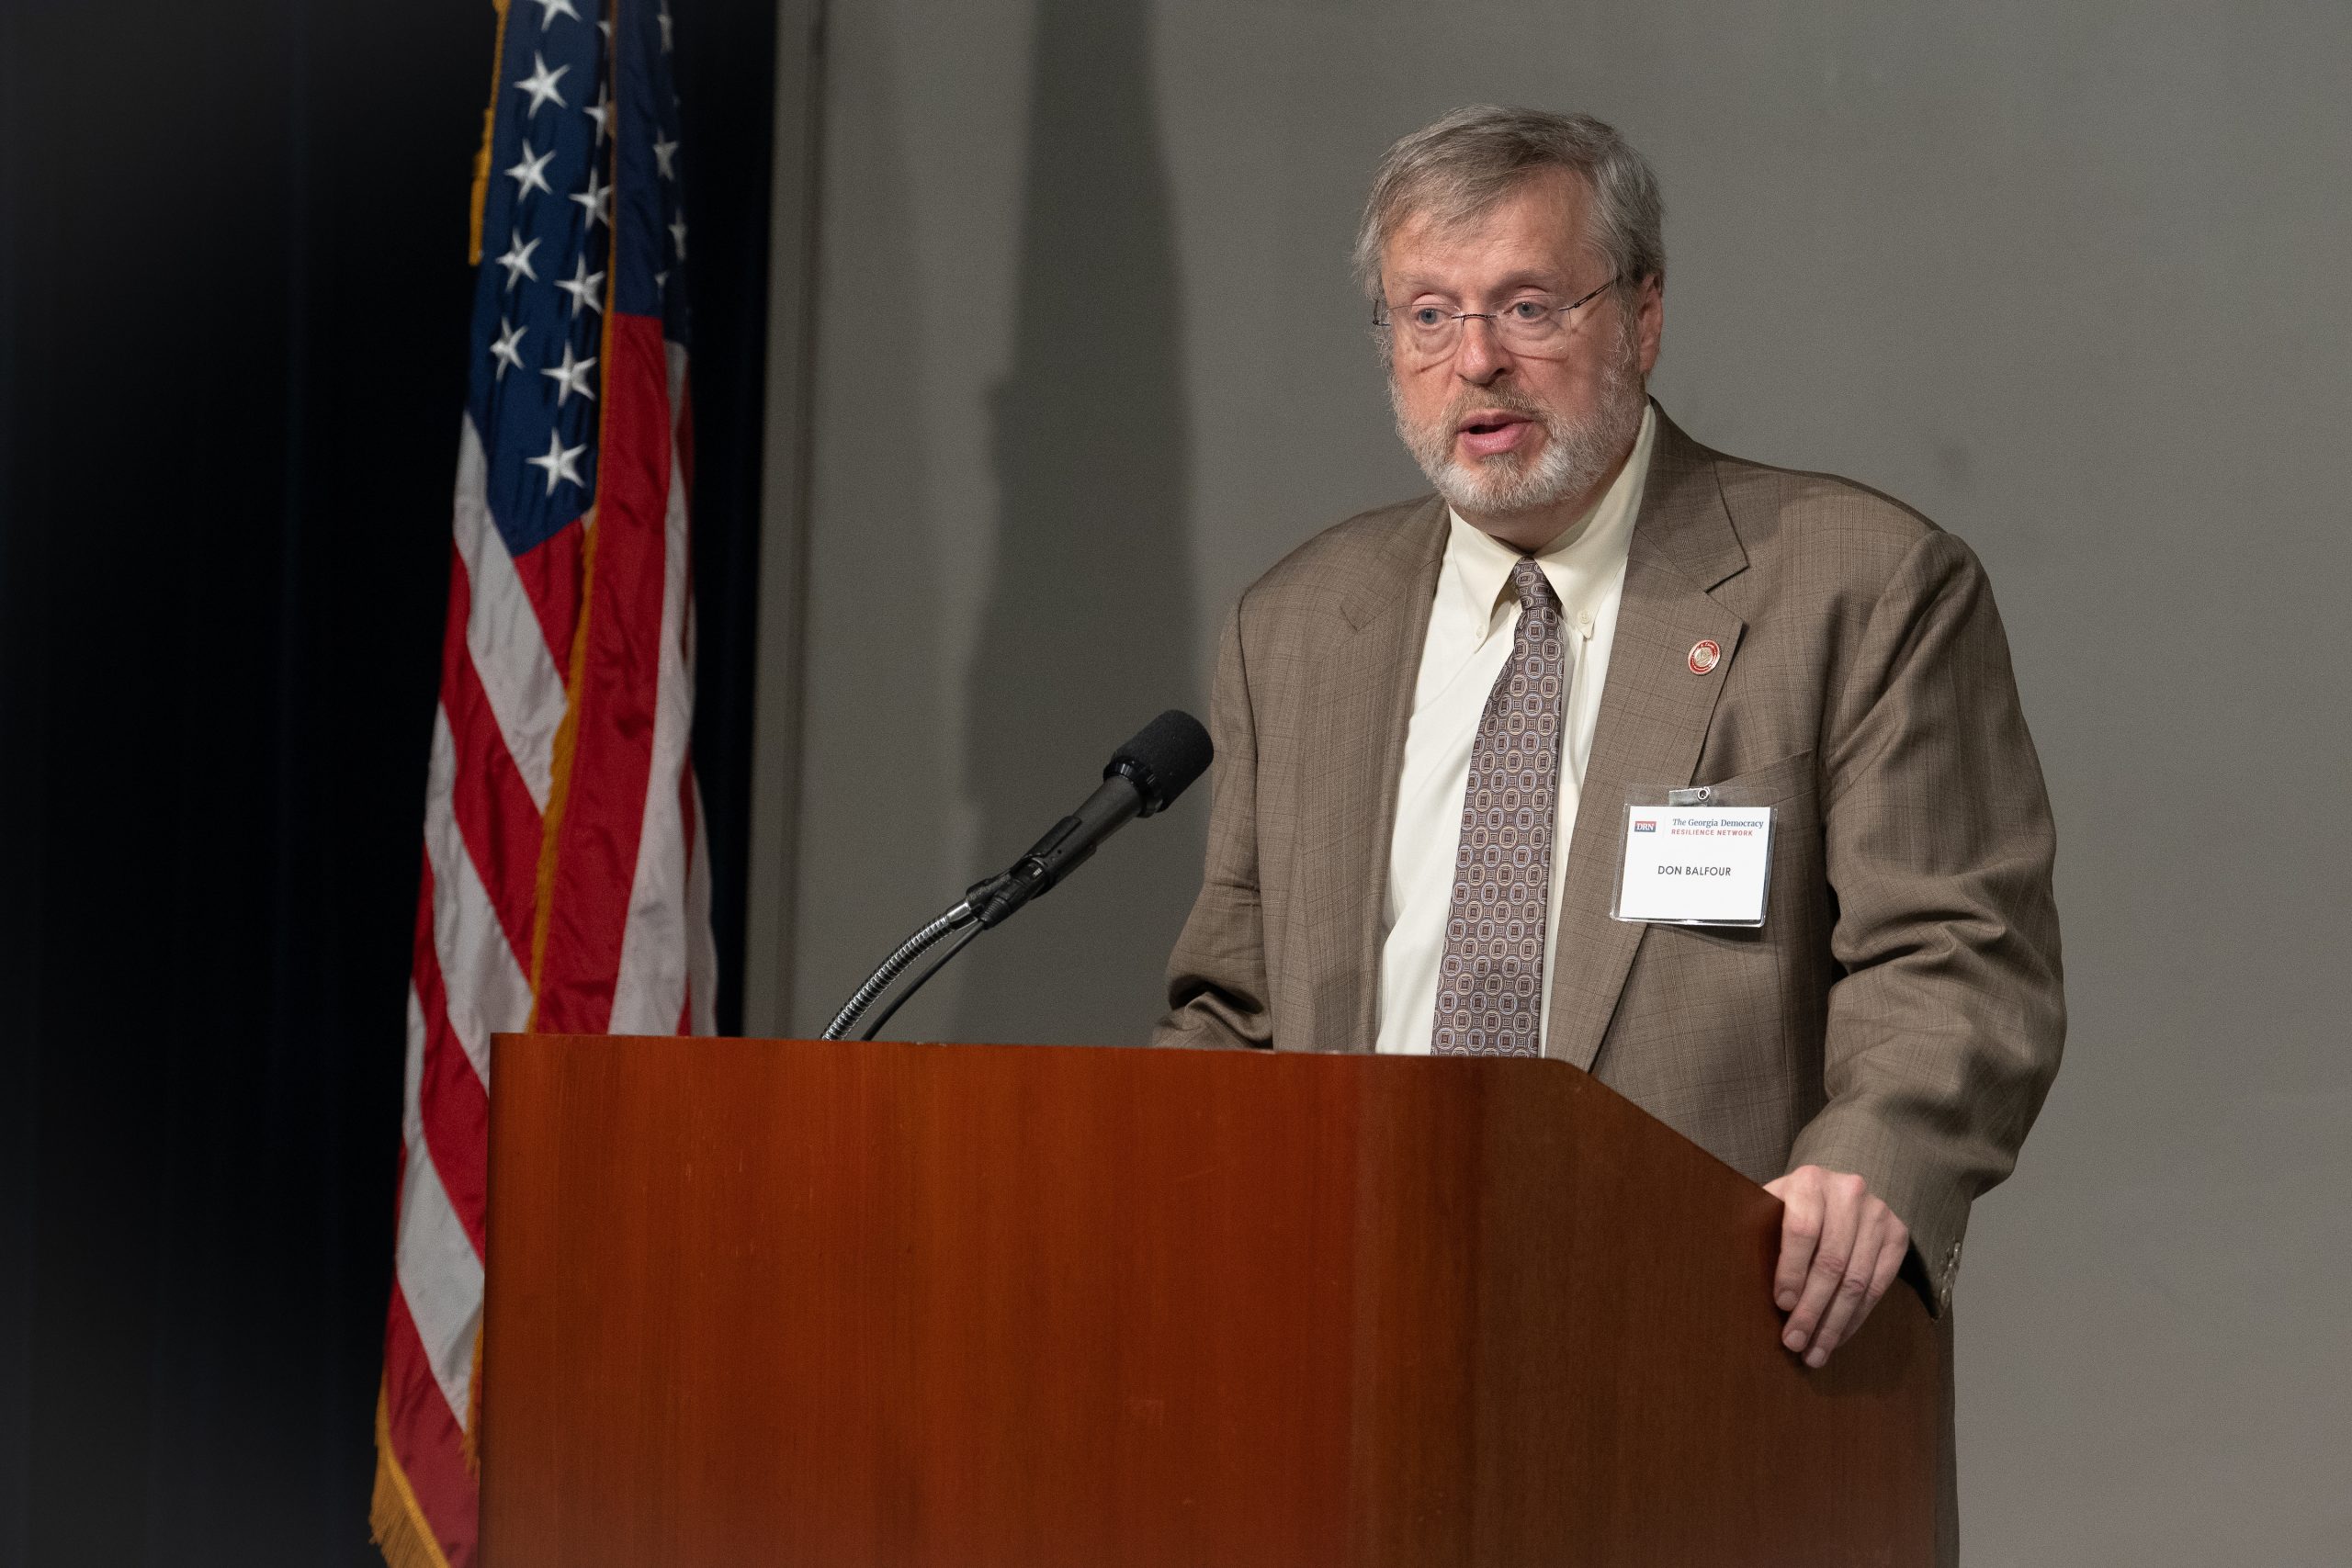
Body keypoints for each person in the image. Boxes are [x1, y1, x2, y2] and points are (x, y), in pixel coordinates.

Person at [1154, 105, 2064, 1547]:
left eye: (1527, 304)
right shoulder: (1298, 626)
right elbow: (1232, 1005)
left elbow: (1958, 953)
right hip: (1343, 1373)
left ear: (1642, 315)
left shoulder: (1858, 585)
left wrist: (1878, 1160)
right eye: (1429, 313)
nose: (1478, 361)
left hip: (1718, 1367)